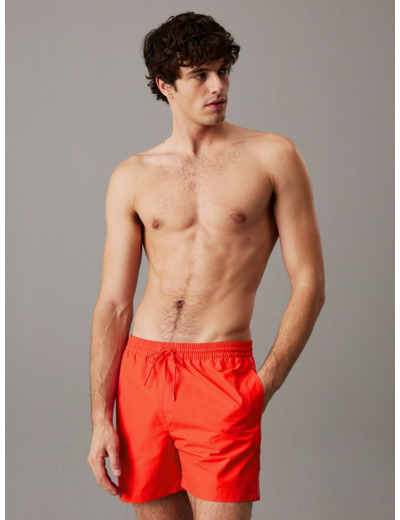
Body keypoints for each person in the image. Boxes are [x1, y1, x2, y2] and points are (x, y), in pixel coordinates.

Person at [86, 11, 325, 520]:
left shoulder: (273, 156)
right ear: (165, 84)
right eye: (200, 74)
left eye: (223, 71)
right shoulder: (132, 175)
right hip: (141, 375)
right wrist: (100, 418)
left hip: (221, 371)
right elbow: (113, 304)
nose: (219, 86)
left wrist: (263, 384)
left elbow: (309, 282)